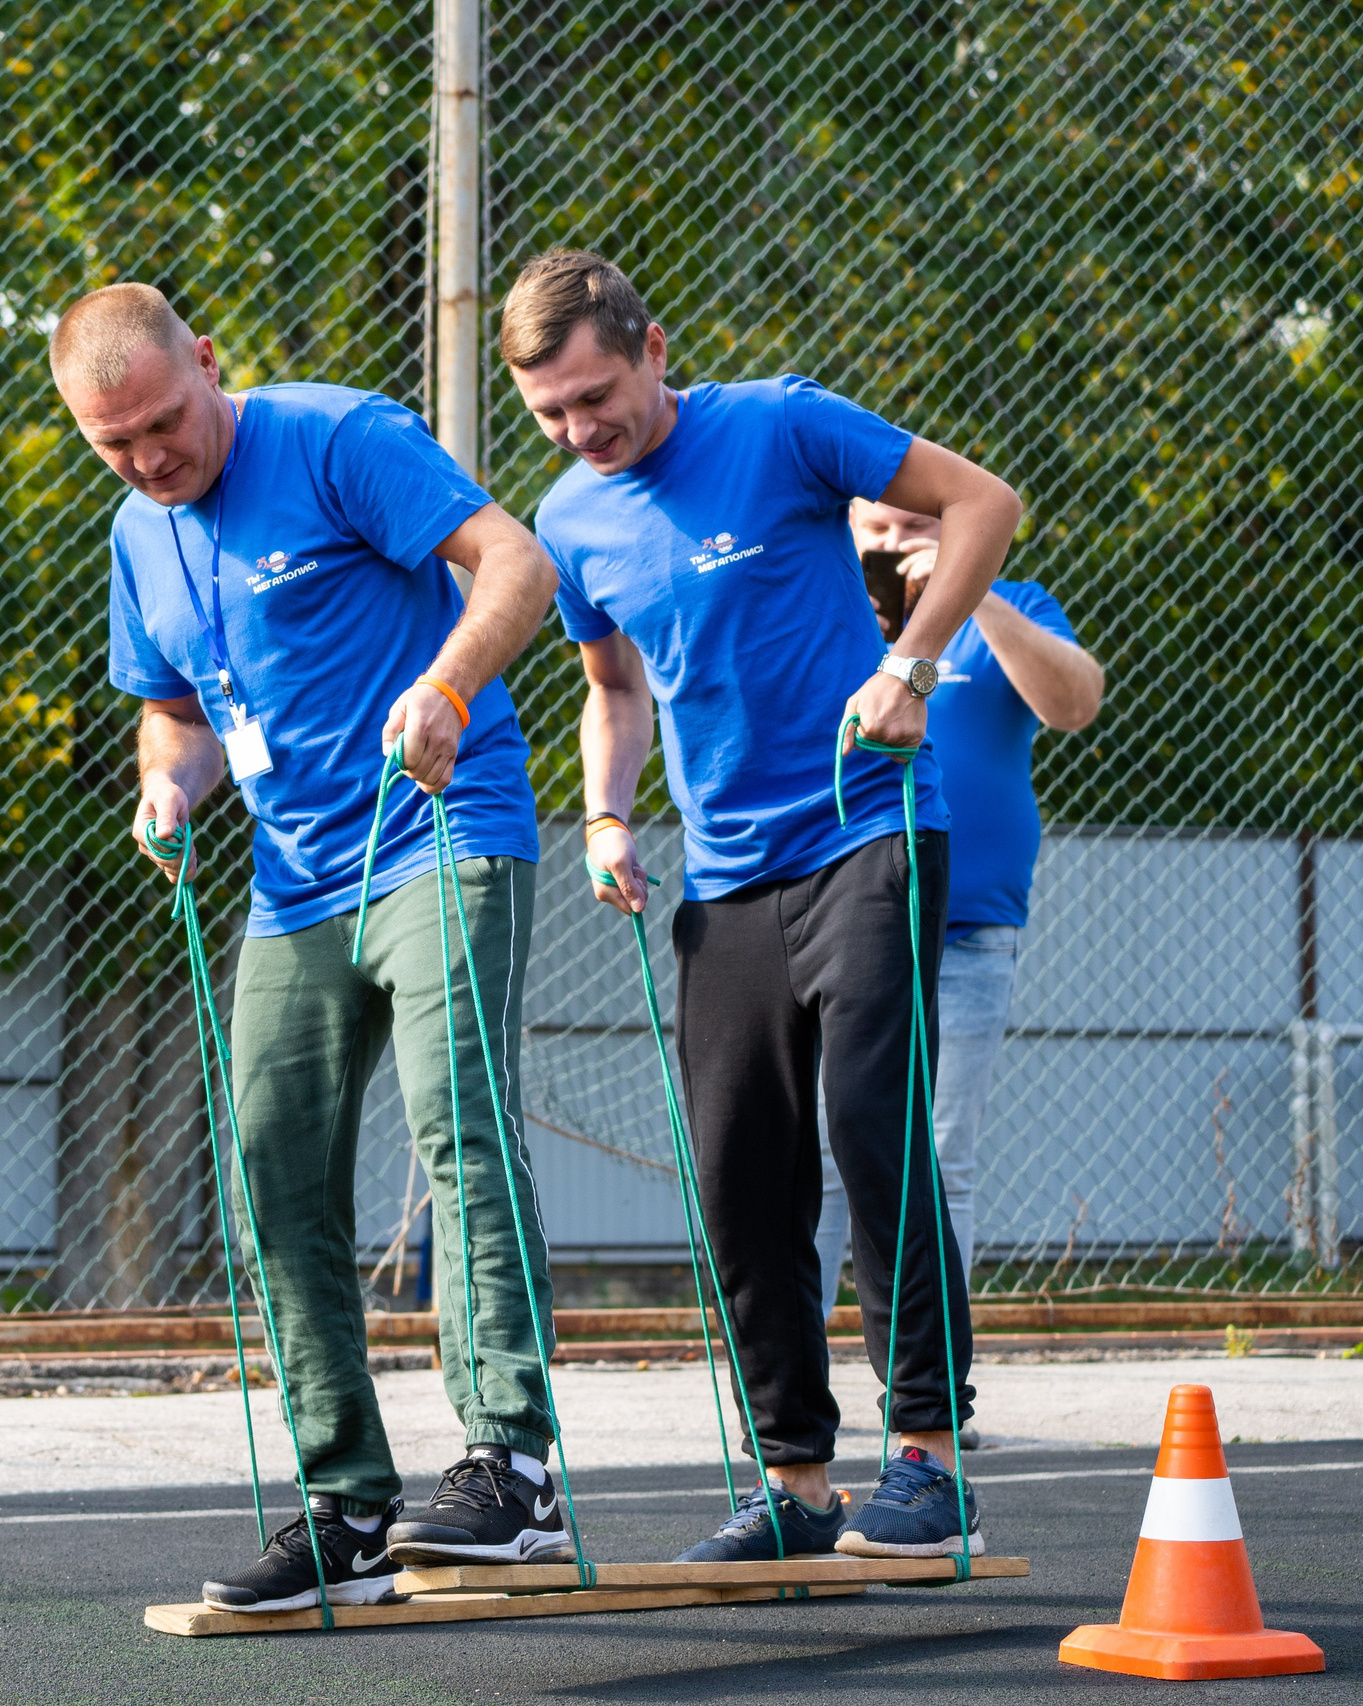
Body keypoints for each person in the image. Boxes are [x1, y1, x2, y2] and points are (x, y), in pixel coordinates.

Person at [51, 283, 570, 1614]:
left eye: (166, 424)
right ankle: (347, 1501)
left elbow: (517, 561)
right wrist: (168, 788)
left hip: (442, 828)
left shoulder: (340, 438)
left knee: (458, 1122)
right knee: (271, 1170)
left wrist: (448, 684)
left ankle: (512, 1469)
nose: (152, 460)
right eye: (117, 445)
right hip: (294, 884)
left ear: (210, 365)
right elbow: (174, 713)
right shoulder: (136, 536)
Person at [509, 248, 1021, 1562]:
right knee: (739, 1176)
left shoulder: (781, 423)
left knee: (872, 1126)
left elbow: (982, 505)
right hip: (724, 875)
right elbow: (615, 689)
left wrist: (911, 663)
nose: (581, 428)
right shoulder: (570, 520)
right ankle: (796, 1485)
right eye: (553, 412)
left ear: (654, 348)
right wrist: (610, 815)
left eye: (597, 396)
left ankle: (930, 1459)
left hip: (870, 825)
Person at [815, 502, 1105, 1332]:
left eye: (917, 523)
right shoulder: (826, 615)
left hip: (972, 927)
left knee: (941, 1159)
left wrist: (967, 590)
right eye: (876, 529)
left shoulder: (1007, 607)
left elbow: (1074, 702)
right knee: (832, 1158)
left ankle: (931, 1387)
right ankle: (799, 1394)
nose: (895, 541)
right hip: (843, 921)